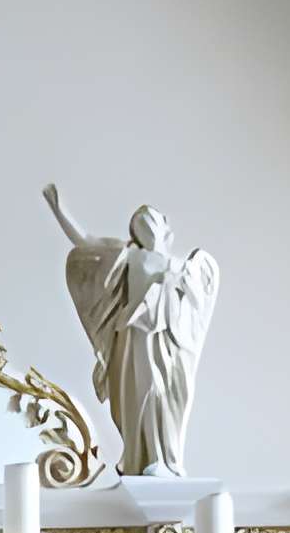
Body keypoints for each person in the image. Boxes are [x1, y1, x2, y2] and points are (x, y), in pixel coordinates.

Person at [42, 183, 219, 478]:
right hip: (134, 336)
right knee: (142, 394)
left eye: (152, 220)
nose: (146, 226)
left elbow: (196, 306)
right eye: (140, 223)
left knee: (164, 394)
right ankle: (145, 457)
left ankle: (164, 458)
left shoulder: (180, 266)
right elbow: (85, 241)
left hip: (165, 341)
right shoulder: (128, 255)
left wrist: (181, 284)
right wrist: (59, 211)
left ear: (164, 228)